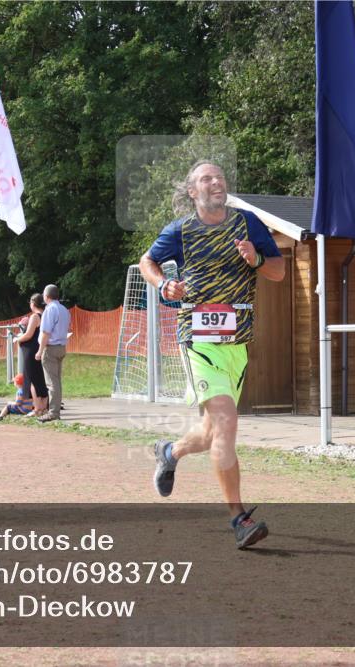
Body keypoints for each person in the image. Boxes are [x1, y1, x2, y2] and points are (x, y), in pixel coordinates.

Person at [139, 160, 284, 549]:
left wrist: (255, 259)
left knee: (210, 432)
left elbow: (278, 271)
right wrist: (164, 285)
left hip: (237, 342)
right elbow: (146, 262)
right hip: (197, 338)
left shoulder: (248, 223)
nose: (216, 182)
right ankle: (239, 518)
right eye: (207, 178)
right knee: (225, 424)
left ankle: (169, 452)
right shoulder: (180, 231)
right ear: (193, 191)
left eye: (219, 177)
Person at [35, 284, 70, 422]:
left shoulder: (50, 310)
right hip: (62, 346)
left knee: (51, 382)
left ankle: (53, 412)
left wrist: (40, 350)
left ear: (46, 296)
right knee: (57, 380)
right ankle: (55, 408)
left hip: (51, 348)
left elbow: (45, 332)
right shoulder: (64, 309)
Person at [16, 293, 49, 416]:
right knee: (41, 379)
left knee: (32, 380)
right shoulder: (46, 315)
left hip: (31, 350)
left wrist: (18, 339)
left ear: (33, 303)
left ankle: (37, 409)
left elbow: (29, 334)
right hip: (41, 348)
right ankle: (44, 408)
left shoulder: (35, 316)